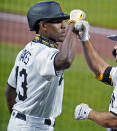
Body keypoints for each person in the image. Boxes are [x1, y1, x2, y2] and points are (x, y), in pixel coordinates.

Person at [5, 1, 81, 131]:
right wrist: (73, 27)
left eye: (64, 21)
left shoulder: (26, 50)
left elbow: (10, 90)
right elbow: (66, 60)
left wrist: (18, 119)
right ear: (44, 26)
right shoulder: (44, 53)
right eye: (58, 22)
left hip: (22, 124)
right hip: (32, 126)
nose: (63, 26)